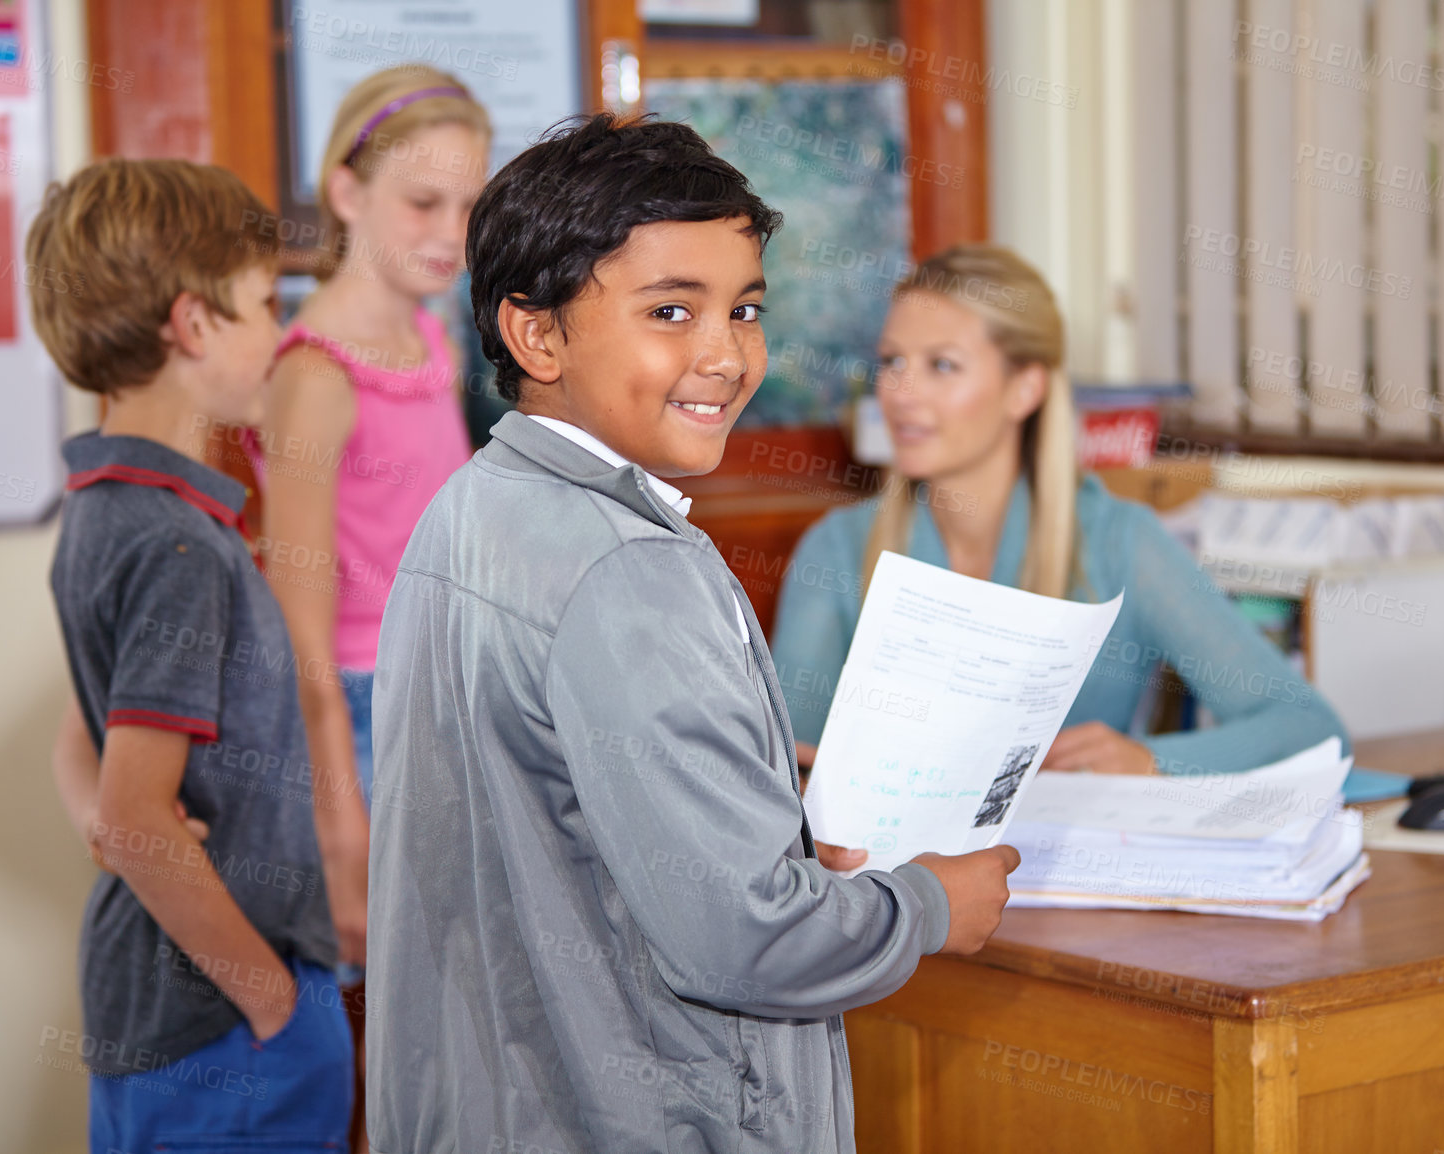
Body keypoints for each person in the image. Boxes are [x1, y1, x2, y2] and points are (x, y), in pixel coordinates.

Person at [366, 113, 1020, 1153]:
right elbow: (743, 938)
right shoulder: (631, 565)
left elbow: (576, 831)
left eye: (745, 308)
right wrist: (930, 905)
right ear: (537, 333)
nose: (725, 354)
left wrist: (772, 829)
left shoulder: (475, 503)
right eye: (671, 310)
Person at [32, 158, 352, 1151]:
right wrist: (273, 1005)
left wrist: (109, 820)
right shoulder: (178, 544)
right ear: (193, 323)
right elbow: (137, 814)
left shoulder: (103, 512)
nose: (281, 331)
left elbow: (77, 745)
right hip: (226, 1025)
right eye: (264, 302)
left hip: (159, 1013)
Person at [772, 245, 1349, 776]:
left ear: (1024, 389)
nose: (899, 392)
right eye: (892, 362)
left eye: (941, 365)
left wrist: (1149, 761)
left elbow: (1310, 730)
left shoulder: (1119, 541)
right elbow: (793, 756)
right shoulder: (837, 547)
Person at [255, 64, 488, 930]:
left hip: (442, 684)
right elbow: (299, 625)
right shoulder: (316, 373)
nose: (452, 235)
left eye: (469, 209)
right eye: (424, 203)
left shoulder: (432, 337)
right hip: (357, 704)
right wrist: (338, 808)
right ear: (347, 191)